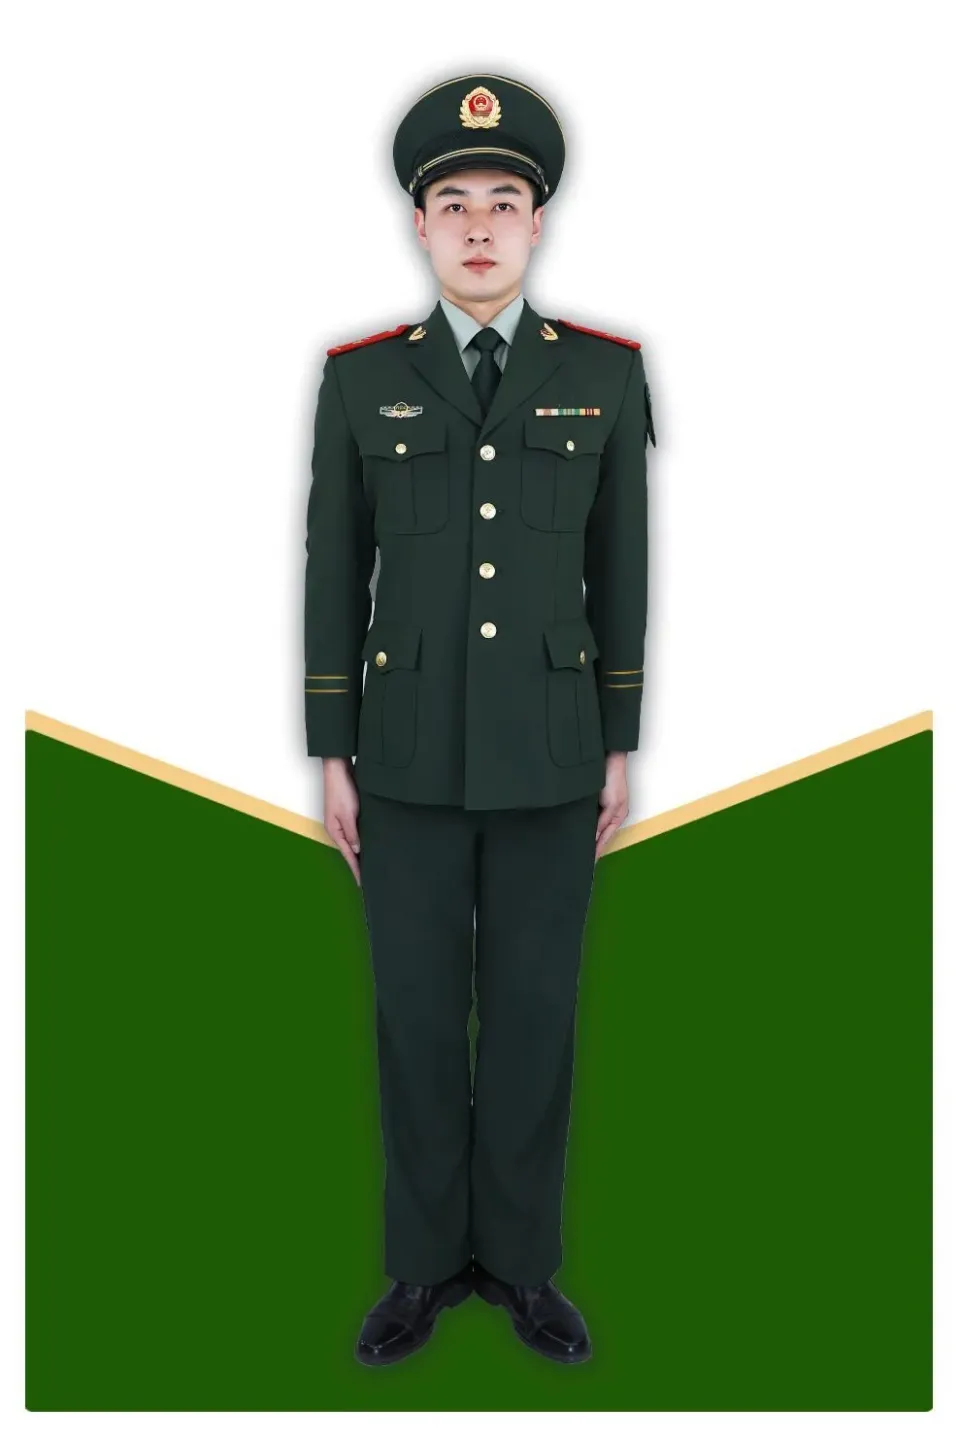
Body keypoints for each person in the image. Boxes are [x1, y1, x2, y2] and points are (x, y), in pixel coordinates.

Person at [303, 72, 655, 1367]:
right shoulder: (360, 382)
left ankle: (519, 1265)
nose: (479, 227)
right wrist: (331, 753)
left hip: (555, 759)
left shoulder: (604, 374)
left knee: (531, 1018)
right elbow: (333, 572)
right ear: (420, 224)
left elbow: (622, 569)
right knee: (411, 1020)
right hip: (399, 761)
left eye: (504, 202)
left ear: (537, 222)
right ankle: (419, 1268)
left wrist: (618, 742)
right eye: (453, 204)